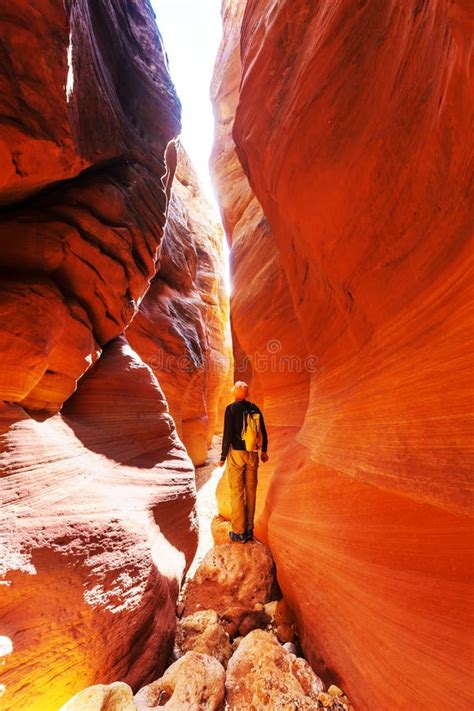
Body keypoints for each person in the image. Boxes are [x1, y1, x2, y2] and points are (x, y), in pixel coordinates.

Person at [218, 381, 269, 543]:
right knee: (251, 491)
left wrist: (222, 456)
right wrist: (264, 451)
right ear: (246, 394)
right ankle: (249, 530)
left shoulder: (231, 409)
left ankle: (239, 532)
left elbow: (227, 435)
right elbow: (263, 431)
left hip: (236, 454)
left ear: (234, 393)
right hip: (252, 453)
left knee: (237, 491)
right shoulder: (254, 408)